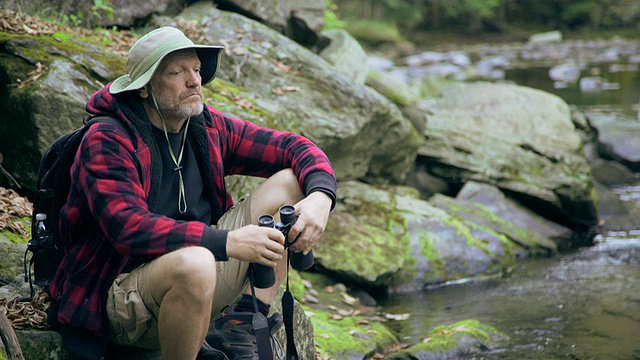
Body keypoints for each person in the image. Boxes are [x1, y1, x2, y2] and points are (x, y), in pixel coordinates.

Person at [47, 26, 336, 360]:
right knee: (197, 261)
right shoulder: (108, 139)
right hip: (119, 295)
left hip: (199, 278)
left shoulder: (203, 128)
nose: (194, 81)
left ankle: (239, 323)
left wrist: (320, 198)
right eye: (177, 72)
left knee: (291, 182)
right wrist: (229, 243)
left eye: (197, 70)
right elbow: (129, 227)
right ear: (144, 88)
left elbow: (292, 146)